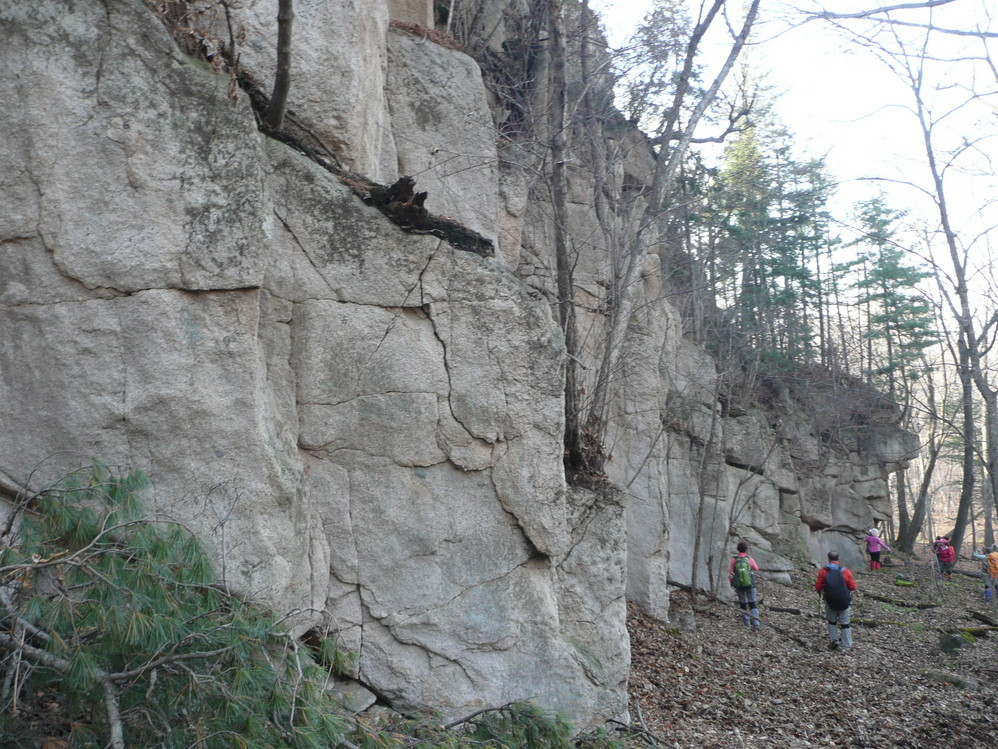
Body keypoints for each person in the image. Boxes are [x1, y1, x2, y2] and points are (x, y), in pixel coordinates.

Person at [815, 551, 857, 651]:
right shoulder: (845, 571)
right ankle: (847, 645)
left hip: (829, 600)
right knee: (845, 623)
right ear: (838, 558)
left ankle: (834, 641)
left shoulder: (824, 571)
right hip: (844, 601)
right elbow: (853, 586)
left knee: (832, 621)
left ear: (828, 558)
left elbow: (818, 586)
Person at [729, 541, 761, 628]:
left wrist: (732, 582)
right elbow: (756, 568)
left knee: (742, 603)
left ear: (738, 549)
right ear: (746, 550)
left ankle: (746, 622)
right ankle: (756, 623)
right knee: (752, 603)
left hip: (739, 584)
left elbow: (731, 572)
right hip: (750, 583)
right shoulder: (749, 559)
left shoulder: (734, 560)